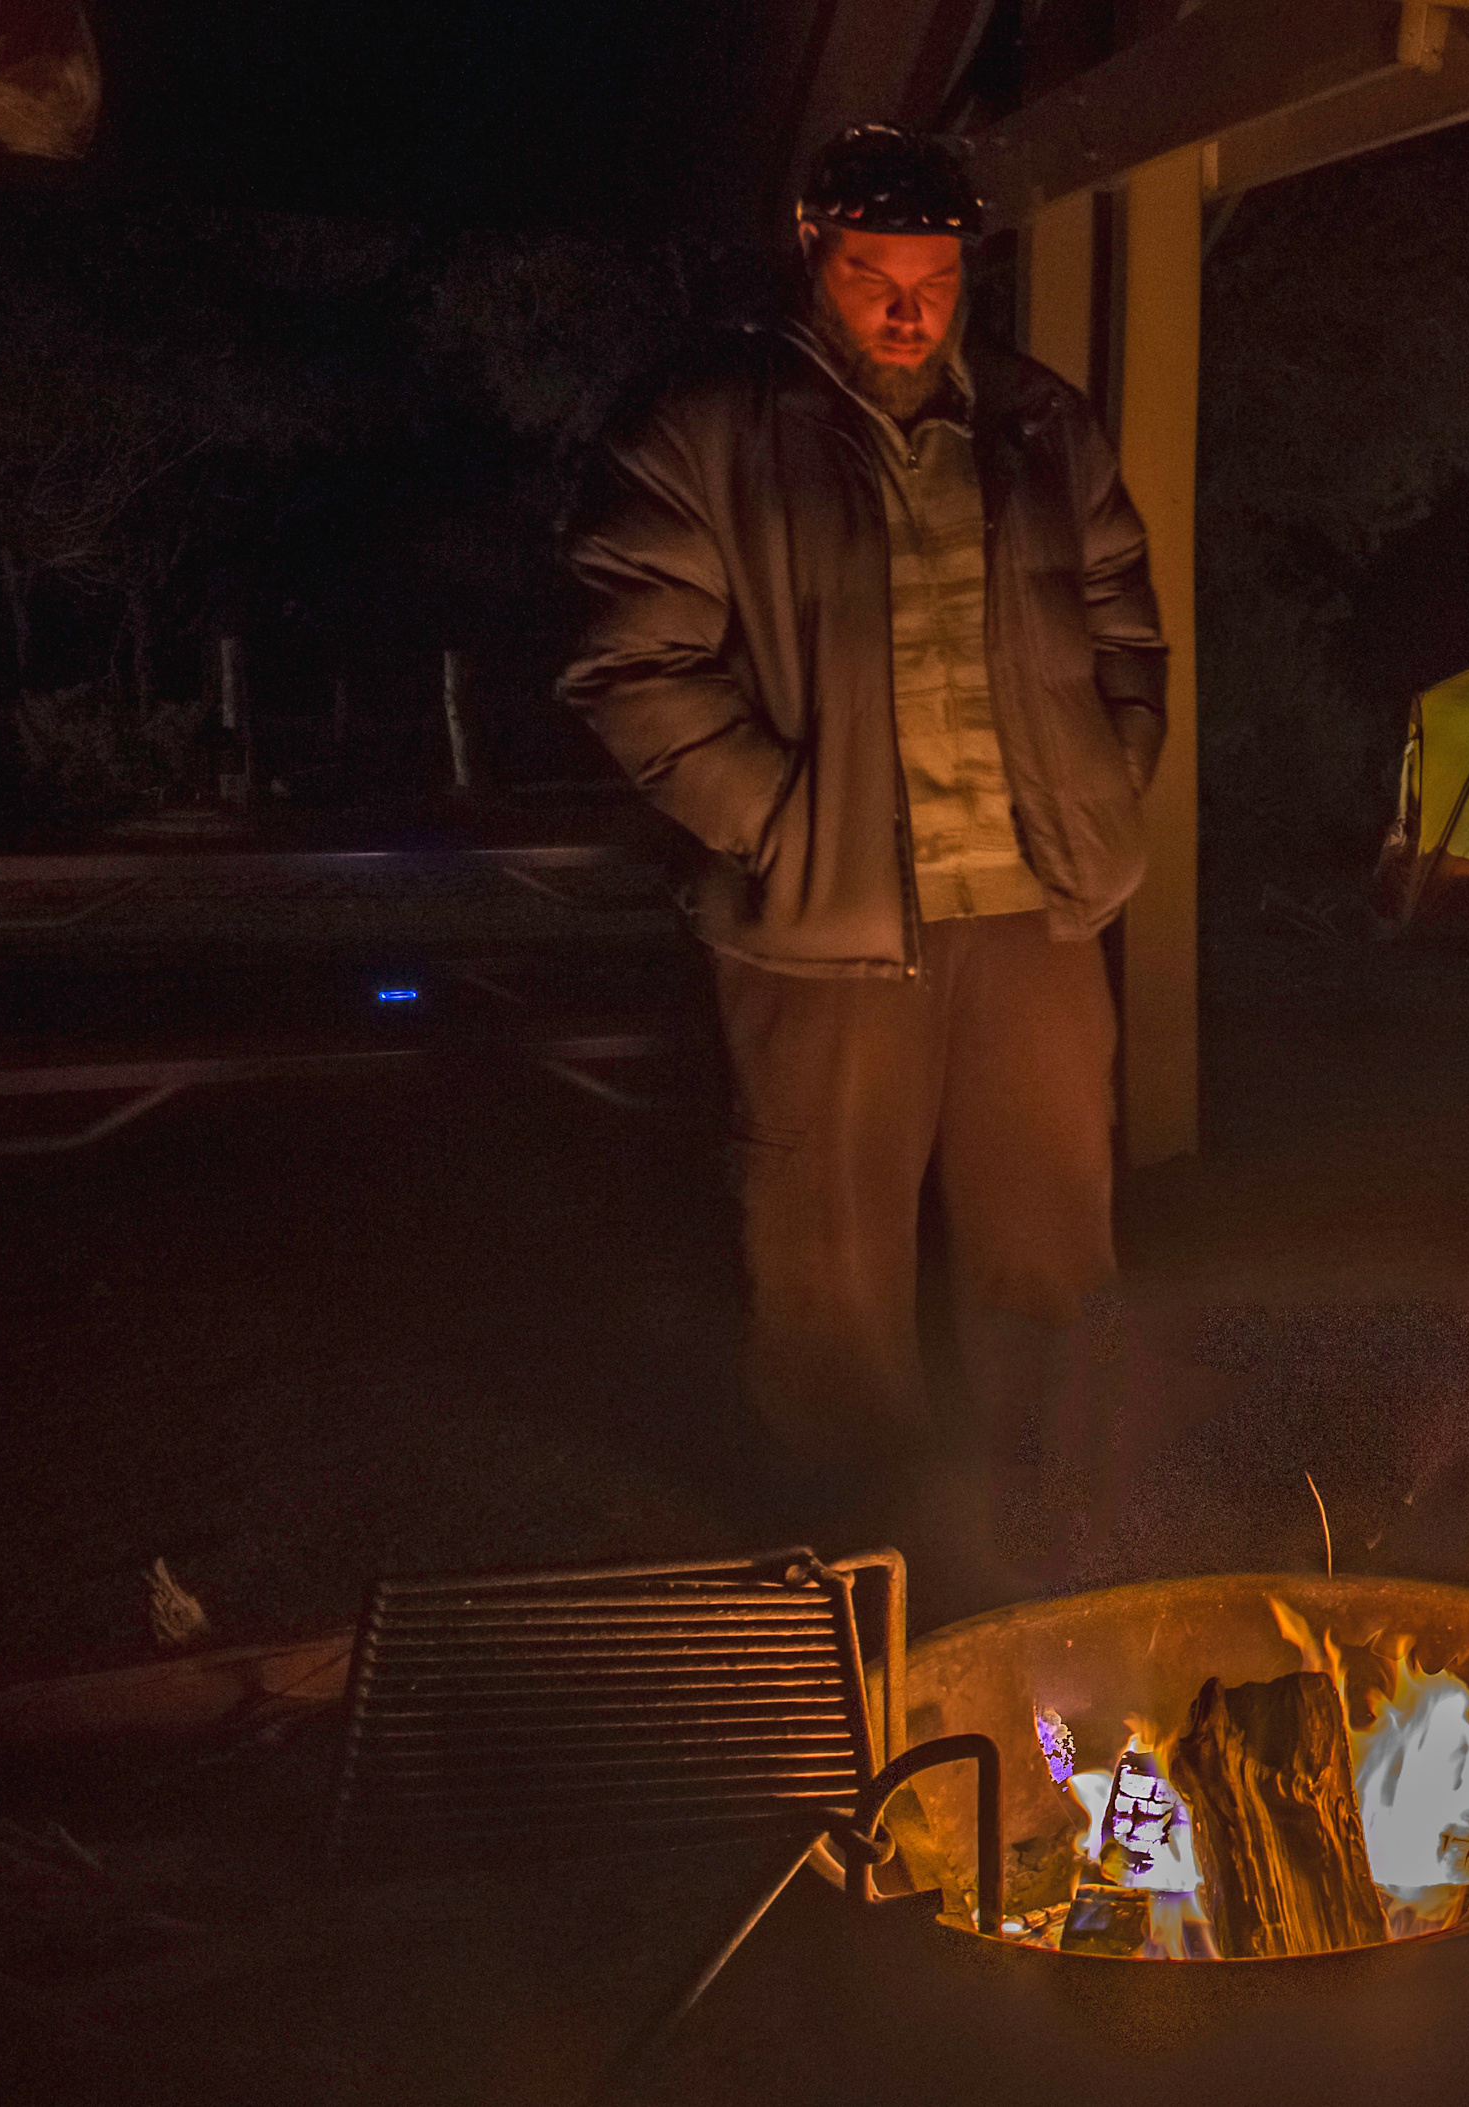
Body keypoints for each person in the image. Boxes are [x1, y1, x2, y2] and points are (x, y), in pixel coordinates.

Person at [560, 126, 1163, 1543]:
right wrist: (783, 825)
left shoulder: (1037, 425)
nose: (908, 309)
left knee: (1056, 1238)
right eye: (874, 277)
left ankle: (1061, 1510)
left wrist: (1104, 780)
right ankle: (851, 1543)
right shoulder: (705, 428)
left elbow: (1125, 621)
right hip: (821, 930)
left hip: (1030, 910)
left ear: (968, 274)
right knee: (826, 1256)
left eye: (935, 279)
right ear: (812, 262)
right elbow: (632, 665)